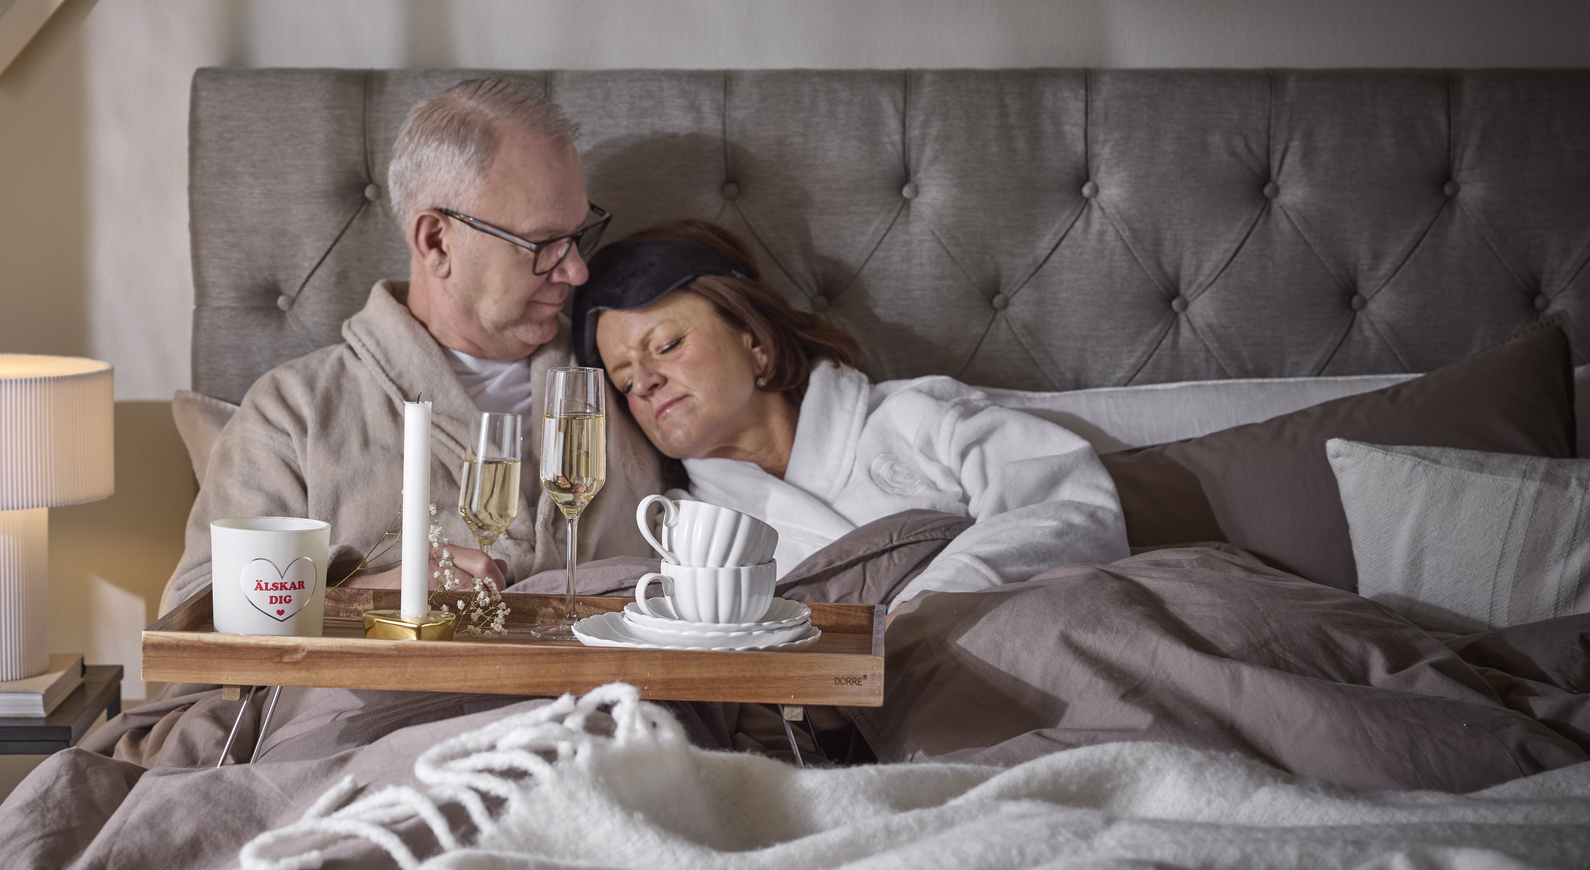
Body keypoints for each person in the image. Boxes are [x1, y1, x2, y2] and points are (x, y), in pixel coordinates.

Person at [160, 79, 663, 613]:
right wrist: (363, 597)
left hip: (619, 692)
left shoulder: (631, 378)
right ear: (436, 242)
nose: (577, 270)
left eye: (579, 235)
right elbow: (193, 618)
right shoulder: (293, 412)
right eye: (542, 244)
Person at [575, 220, 1127, 605]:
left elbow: (1075, 507)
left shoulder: (916, 418)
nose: (644, 382)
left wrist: (934, 603)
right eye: (623, 381)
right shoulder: (684, 530)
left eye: (667, 346)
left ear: (755, 340)